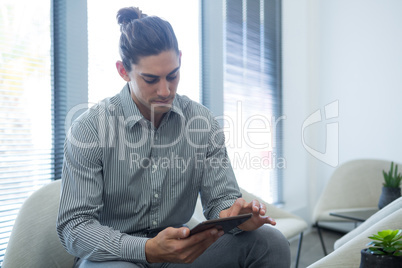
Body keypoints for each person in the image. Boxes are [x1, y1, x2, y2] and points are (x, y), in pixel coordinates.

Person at [57, 6, 290, 268]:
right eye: (151, 79)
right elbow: (74, 228)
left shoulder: (201, 123)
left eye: (173, 75)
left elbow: (220, 201)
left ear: (179, 59)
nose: (165, 90)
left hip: (180, 251)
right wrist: (146, 249)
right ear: (123, 71)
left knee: (270, 242)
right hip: (115, 256)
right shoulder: (90, 128)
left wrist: (236, 217)